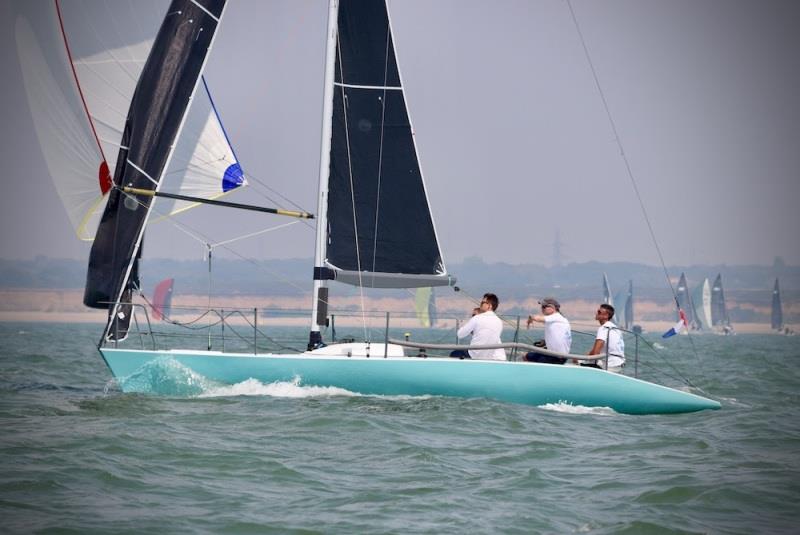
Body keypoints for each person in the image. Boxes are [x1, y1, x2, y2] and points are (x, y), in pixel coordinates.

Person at [454, 293, 506, 361]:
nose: (480, 304)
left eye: (482, 303)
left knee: (454, 354)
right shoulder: (500, 322)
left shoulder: (477, 318)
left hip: (473, 355)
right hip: (488, 358)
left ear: (489, 306)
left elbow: (460, 334)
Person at [524, 297, 571, 364]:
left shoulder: (556, 316)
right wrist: (545, 342)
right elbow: (558, 336)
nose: (542, 309)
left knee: (527, 357)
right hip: (555, 355)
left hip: (556, 357)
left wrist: (531, 318)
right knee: (526, 356)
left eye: (544, 307)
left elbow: (539, 318)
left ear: (552, 308)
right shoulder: (557, 319)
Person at [584, 303, 625, 371]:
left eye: (599, 312)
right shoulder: (615, 328)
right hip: (620, 363)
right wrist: (586, 356)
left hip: (610, 365)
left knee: (577, 363)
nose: (596, 313)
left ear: (606, 316)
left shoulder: (603, 328)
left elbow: (596, 352)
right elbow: (595, 350)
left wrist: (581, 360)